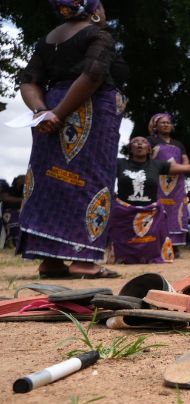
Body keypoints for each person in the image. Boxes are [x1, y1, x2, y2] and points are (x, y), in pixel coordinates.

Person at [17, 0, 128, 279]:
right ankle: (84, 261)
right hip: (87, 110)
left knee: (50, 181)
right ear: (93, 10)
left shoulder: (47, 40)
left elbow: (28, 80)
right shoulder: (99, 35)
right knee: (91, 179)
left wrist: (43, 111)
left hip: (51, 109)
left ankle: (50, 261)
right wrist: (60, 112)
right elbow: (92, 76)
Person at [109, 137, 190, 264]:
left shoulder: (157, 165)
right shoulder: (119, 163)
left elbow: (183, 168)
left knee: (160, 214)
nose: (140, 143)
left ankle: (151, 255)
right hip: (125, 212)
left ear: (149, 149)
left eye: (144, 142)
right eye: (135, 142)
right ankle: (120, 256)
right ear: (130, 148)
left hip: (149, 212)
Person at [147, 112, 189, 258]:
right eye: (162, 123)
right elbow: (147, 161)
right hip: (158, 182)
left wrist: (182, 168)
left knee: (177, 212)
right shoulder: (150, 141)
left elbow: (185, 161)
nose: (166, 125)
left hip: (177, 184)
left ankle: (175, 248)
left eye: (168, 123)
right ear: (155, 126)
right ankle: (157, 245)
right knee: (158, 211)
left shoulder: (178, 144)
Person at [0, 175, 25, 248]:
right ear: (16, 180)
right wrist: (22, 200)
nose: (23, 180)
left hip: (19, 212)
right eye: (21, 179)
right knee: (13, 217)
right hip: (8, 213)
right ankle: (12, 242)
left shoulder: (24, 191)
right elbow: (4, 198)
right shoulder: (9, 189)